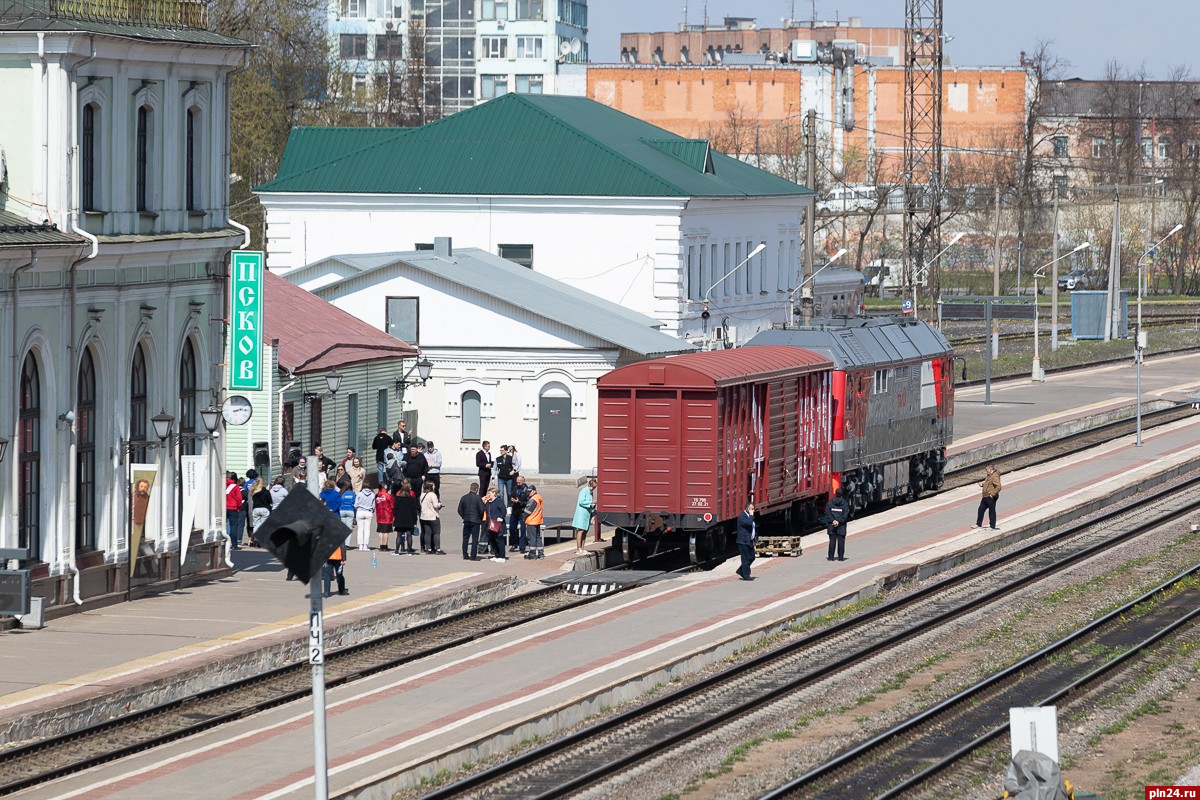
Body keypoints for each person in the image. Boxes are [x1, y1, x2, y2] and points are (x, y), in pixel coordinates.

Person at [457, 482, 485, 560]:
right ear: (476, 489)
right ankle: (473, 555)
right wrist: (480, 517)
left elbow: (459, 510)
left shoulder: (464, 497)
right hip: (475, 521)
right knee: (475, 539)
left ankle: (465, 554)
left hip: (466, 520)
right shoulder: (478, 498)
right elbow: (482, 509)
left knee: (465, 538)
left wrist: (464, 517)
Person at [392, 479, 420, 555]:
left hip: (399, 518)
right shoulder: (412, 499)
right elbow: (414, 510)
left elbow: (395, 509)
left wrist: (394, 517)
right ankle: (409, 551)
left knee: (399, 535)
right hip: (409, 518)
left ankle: (397, 551)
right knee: (409, 534)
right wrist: (415, 519)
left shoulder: (398, 498)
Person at [824, 488, 851, 561]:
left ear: (835, 494)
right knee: (841, 541)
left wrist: (833, 521)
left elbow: (827, 512)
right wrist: (839, 521)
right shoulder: (845, 503)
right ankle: (841, 557)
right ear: (842, 494)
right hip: (841, 525)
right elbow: (845, 514)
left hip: (831, 525)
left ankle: (830, 557)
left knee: (832, 541)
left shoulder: (830, 503)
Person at [573, 478, 597, 555]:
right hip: (582, 513)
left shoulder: (590, 492)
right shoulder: (584, 491)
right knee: (581, 530)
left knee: (585, 531)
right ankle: (578, 548)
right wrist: (592, 502)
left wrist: (593, 505)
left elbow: (590, 503)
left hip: (587, 513)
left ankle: (582, 548)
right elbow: (581, 502)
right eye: (593, 487)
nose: (593, 489)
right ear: (589, 485)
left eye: (594, 487)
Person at [419, 480, 445, 554]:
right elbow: (435, 505)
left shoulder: (422, 494)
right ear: (430, 487)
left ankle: (428, 549)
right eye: (433, 485)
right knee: (436, 532)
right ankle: (438, 549)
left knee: (427, 532)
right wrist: (440, 504)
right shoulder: (432, 495)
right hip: (433, 516)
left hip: (424, 516)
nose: (434, 486)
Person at [483, 488, 507, 563]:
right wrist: (483, 501)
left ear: (494, 493)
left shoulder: (498, 501)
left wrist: (501, 517)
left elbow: (504, 510)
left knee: (499, 540)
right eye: (488, 493)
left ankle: (502, 556)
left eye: (490, 493)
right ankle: (496, 555)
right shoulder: (488, 502)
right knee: (492, 540)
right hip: (490, 524)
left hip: (497, 524)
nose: (488, 494)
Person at [508, 475, 530, 554]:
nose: (518, 483)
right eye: (517, 481)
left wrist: (519, 502)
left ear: (523, 481)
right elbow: (511, 495)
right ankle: (514, 544)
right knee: (512, 528)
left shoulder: (527, 490)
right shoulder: (515, 487)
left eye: (519, 482)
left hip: (522, 512)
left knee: (523, 529)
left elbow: (528, 502)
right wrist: (511, 500)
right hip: (515, 511)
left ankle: (522, 546)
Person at [975, 464, 1002, 530]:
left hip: (990, 497)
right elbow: (989, 483)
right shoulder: (989, 476)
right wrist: (982, 485)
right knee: (981, 509)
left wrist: (992, 494)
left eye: (987, 470)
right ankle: (978, 524)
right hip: (985, 496)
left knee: (991, 511)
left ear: (990, 469)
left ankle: (992, 526)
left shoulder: (995, 476)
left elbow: (998, 487)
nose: (986, 471)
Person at [735, 502, 757, 580]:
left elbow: (753, 528)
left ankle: (741, 570)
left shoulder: (750, 517)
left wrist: (754, 539)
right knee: (745, 559)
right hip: (743, 541)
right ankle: (746, 576)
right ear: (748, 509)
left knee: (752, 557)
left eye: (754, 509)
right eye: (752, 509)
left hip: (749, 541)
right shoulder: (742, 517)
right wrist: (751, 515)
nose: (753, 510)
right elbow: (749, 523)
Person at [523, 484, 545, 560]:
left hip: (531, 521)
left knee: (531, 538)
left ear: (534, 491)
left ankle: (532, 554)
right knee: (537, 537)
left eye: (530, 491)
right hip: (537, 520)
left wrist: (523, 517)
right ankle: (541, 553)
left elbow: (527, 511)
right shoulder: (538, 497)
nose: (529, 493)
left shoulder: (533, 499)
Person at [225, 472, 245, 550]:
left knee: (224, 526)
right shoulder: (235, 486)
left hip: (223, 508)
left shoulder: (222, 485)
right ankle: (234, 544)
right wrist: (238, 507)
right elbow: (239, 498)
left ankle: (224, 543)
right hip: (233, 508)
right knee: (233, 527)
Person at [354, 484, 376, 550]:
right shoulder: (372, 494)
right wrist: (372, 510)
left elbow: (355, 504)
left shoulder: (359, 494)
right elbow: (373, 505)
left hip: (360, 511)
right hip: (368, 512)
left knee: (360, 529)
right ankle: (365, 545)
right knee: (367, 529)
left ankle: (360, 545)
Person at [375, 483, 394, 551]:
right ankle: (385, 545)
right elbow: (392, 505)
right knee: (386, 532)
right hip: (387, 515)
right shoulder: (388, 495)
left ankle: (381, 545)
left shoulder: (377, 495)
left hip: (379, 514)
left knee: (380, 531)